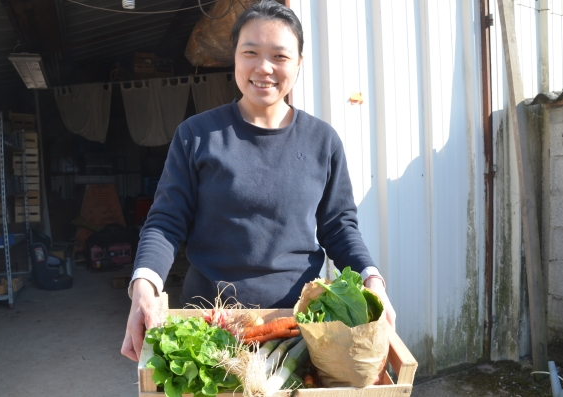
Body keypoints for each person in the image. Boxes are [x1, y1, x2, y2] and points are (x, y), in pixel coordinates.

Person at [121, 0, 396, 362]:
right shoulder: (197, 135)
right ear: (234, 58)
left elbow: (339, 227)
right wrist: (144, 282)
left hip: (297, 327)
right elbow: (166, 221)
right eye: (250, 52)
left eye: (280, 56)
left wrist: (371, 277)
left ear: (298, 63)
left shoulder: (322, 141)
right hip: (207, 322)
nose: (263, 68)